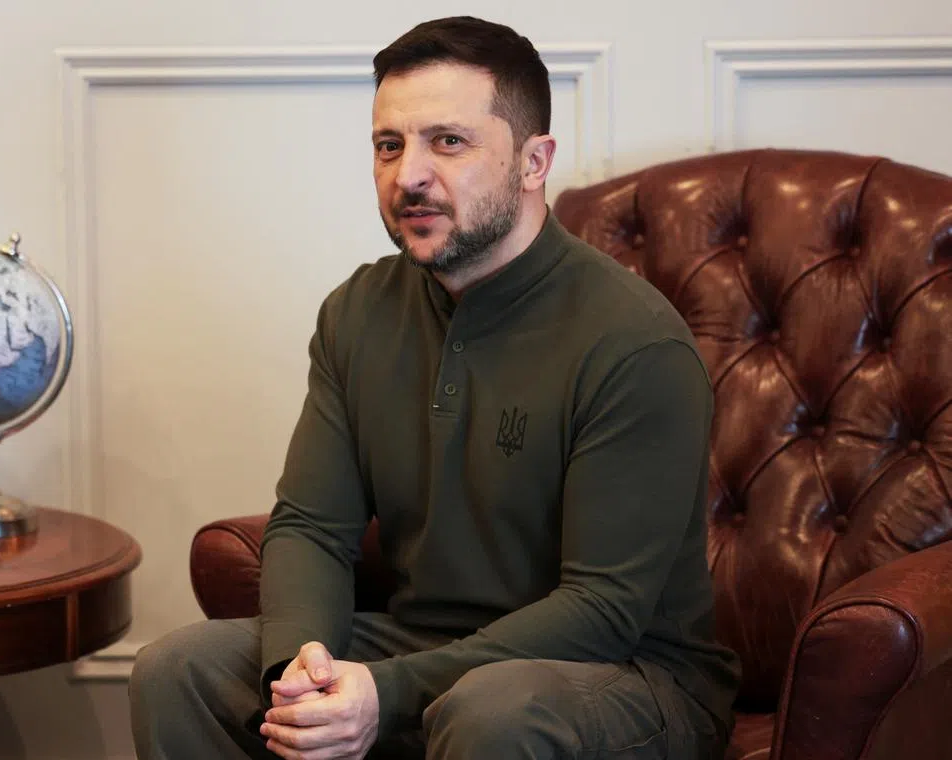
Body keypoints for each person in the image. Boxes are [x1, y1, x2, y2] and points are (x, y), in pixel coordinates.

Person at [130, 15, 741, 760]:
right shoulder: (358, 310)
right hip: (424, 643)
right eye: (390, 145)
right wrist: (303, 669)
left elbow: (604, 609)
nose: (407, 174)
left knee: (492, 712)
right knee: (179, 671)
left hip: (628, 676)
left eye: (447, 142)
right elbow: (312, 527)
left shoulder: (634, 342)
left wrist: (385, 694)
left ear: (533, 161)